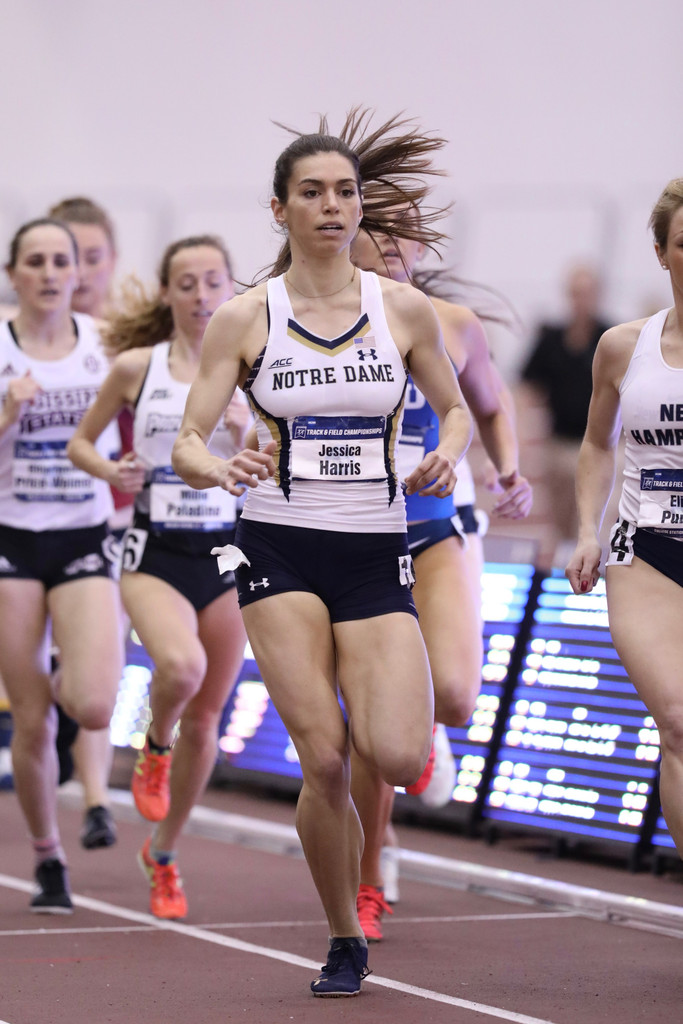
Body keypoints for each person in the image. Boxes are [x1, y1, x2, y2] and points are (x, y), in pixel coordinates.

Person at [171, 110, 473, 997]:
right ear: (280, 210)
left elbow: (452, 410)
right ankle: (344, 933)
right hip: (277, 544)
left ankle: (397, 753)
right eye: (313, 193)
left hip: (376, 548)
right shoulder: (243, 317)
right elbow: (188, 440)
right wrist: (222, 465)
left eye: (345, 192)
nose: (333, 206)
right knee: (327, 758)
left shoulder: (402, 310)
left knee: (392, 751)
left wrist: (448, 452)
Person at [348, 214, 533, 938]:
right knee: (367, 724)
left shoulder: (453, 324)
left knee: (453, 698)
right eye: (380, 233)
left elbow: (491, 401)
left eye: (407, 236)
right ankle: (368, 879)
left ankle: (426, 730)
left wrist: (507, 469)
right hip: (348, 537)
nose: (395, 248)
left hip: (433, 525)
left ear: (424, 250)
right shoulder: (316, 321)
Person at [68, 235, 248, 919]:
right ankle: (152, 745)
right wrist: (112, 469)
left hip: (228, 554)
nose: (201, 296)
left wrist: (248, 433)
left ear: (231, 290)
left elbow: (280, 460)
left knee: (210, 716)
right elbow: (82, 442)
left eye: (212, 282)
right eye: (187, 283)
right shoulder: (138, 367)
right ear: (168, 294)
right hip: (154, 551)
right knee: (179, 666)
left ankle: (164, 854)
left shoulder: (255, 370)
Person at [0, 217, 122, 912]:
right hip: (11, 537)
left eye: (60, 262)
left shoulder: (105, 346)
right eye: (34, 262)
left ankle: (67, 660)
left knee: (95, 702)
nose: (48, 273)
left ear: (80, 274)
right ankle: (48, 855)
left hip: (81, 533)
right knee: (31, 721)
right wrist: (5, 412)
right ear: (14, 274)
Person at [566, 177, 683, 859]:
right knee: (674, 719)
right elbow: (592, 442)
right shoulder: (622, 346)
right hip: (643, 551)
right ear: (662, 253)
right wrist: (585, 528)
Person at [48, 196, 124, 851]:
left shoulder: (135, 339)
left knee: (101, 670)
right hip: (32, 525)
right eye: (67, 259)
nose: (77, 274)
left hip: (119, 526)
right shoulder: (22, 342)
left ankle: (97, 797)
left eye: (91, 258)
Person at [520, 264, 612, 567]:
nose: (581, 301)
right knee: (560, 521)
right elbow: (528, 383)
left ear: (596, 296)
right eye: (576, 294)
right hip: (558, 443)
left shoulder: (610, 338)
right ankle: (562, 576)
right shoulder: (551, 339)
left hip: (599, 445)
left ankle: (588, 574)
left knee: (590, 520)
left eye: (586, 294)